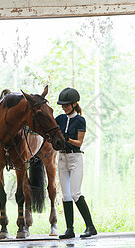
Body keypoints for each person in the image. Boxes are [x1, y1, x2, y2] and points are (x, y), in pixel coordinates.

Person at [55, 87, 97, 239]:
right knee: (65, 195)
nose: (64, 107)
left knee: (75, 193)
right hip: (61, 158)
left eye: (66, 105)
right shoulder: (59, 119)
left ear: (74, 104)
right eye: (62, 105)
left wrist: (65, 139)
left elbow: (79, 143)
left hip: (75, 158)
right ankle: (69, 229)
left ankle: (90, 226)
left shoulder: (80, 120)